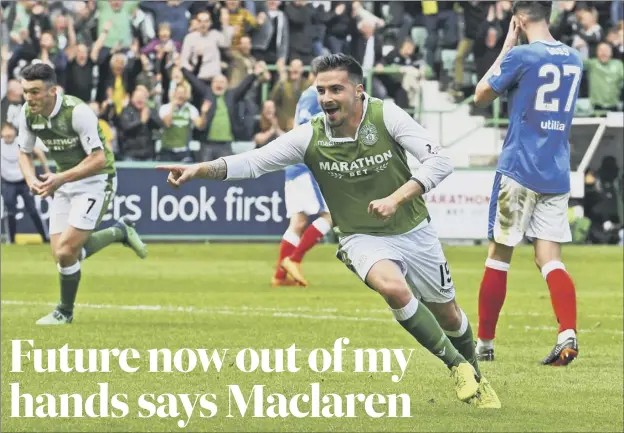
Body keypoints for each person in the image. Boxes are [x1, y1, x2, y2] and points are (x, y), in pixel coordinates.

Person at [157, 53, 501, 408]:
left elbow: (440, 161)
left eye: (336, 89)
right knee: (393, 288)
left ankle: (476, 375)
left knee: (448, 314)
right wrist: (200, 169)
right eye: (321, 90)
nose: (326, 98)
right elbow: (254, 162)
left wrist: (397, 198)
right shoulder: (310, 136)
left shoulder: (387, 115)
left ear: (358, 90)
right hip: (360, 236)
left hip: (414, 229)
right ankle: (457, 365)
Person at [473, 1, 582, 366]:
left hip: (520, 168)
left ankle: (484, 344)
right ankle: (567, 333)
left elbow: (481, 93)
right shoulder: (574, 58)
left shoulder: (522, 55)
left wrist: (507, 44)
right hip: (556, 170)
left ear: (518, 20)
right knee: (549, 258)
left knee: (499, 256)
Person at [15, 63, 148, 325]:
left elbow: (98, 159)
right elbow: (23, 152)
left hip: (96, 180)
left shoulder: (77, 112)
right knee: (61, 255)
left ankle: (64, 311)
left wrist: (59, 179)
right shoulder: (27, 113)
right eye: (26, 92)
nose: (29, 98)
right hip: (63, 181)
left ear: (53, 91)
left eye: (35, 92)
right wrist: (30, 178)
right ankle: (119, 231)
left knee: (66, 252)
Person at [273, 66, 333, 288]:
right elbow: (312, 128)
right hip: (306, 165)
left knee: (298, 221)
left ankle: (279, 277)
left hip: (296, 164)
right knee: (331, 216)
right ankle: (294, 260)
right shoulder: (312, 96)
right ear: (313, 76)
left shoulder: (311, 96)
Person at [1, 122, 49, 244]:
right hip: (8, 182)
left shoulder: (21, 142)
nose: (8, 134)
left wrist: (46, 170)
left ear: (14, 132)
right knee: (10, 212)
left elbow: (39, 153)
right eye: (5, 131)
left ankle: (45, 238)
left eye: (10, 131)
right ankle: (11, 240)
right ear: (2, 133)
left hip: (24, 181)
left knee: (32, 209)